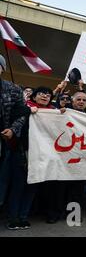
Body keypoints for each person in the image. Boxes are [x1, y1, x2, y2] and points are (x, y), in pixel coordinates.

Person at [7, 87, 58, 230]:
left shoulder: (53, 112)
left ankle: (23, 217)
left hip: (42, 156)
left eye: (48, 95)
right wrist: (29, 110)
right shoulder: (24, 107)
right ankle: (13, 218)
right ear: (34, 97)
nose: (45, 96)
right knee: (18, 186)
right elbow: (12, 115)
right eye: (41, 94)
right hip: (23, 152)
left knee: (32, 186)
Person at [0, 54, 27, 209]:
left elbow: (22, 113)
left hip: (4, 142)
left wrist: (13, 129)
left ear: (2, 68)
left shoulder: (13, 89)